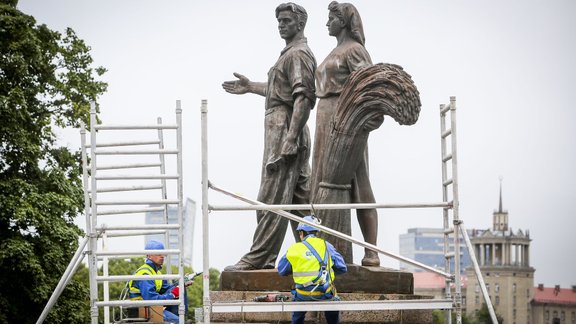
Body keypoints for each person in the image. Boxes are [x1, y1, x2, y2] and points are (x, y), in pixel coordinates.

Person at [222, 3, 316, 271]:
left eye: (286, 21)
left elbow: (303, 97)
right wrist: (251, 86)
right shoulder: (289, 54)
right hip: (284, 127)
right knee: (300, 199)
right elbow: (282, 91)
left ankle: (261, 256)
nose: (281, 25)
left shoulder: (299, 54)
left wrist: (290, 138)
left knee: (271, 195)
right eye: (279, 21)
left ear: (300, 24)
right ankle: (317, 252)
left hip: (285, 129)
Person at [311, 1, 380, 266]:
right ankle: (323, 247)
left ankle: (371, 250)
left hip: (346, 119)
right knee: (322, 181)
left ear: (345, 20)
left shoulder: (354, 50)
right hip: (324, 117)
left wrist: (362, 122)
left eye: (332, 17)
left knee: (359, 182)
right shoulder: (333, 50)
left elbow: (369, 87)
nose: (327, 22)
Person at [278, 215, 347, 324]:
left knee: (297, 313)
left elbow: (282, 271)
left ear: (301, 233)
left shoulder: (294, 249)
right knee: (333, 302)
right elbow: (342, 268)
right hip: (324, 292)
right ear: (316, 232)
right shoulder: (326, 245)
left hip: (302, 294)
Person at [128, 240, 191, 323]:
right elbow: (151, 300)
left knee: (180, 286)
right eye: (158, 254)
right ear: (149, 256)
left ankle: (182, 316)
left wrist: (181, 283)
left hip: (152, 308)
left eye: (163, 254)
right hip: (145, 311)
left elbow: (167, 288)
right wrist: (172, 294)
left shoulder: (156, 272)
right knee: (180, 322)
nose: (162, 256)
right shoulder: (145, 274)